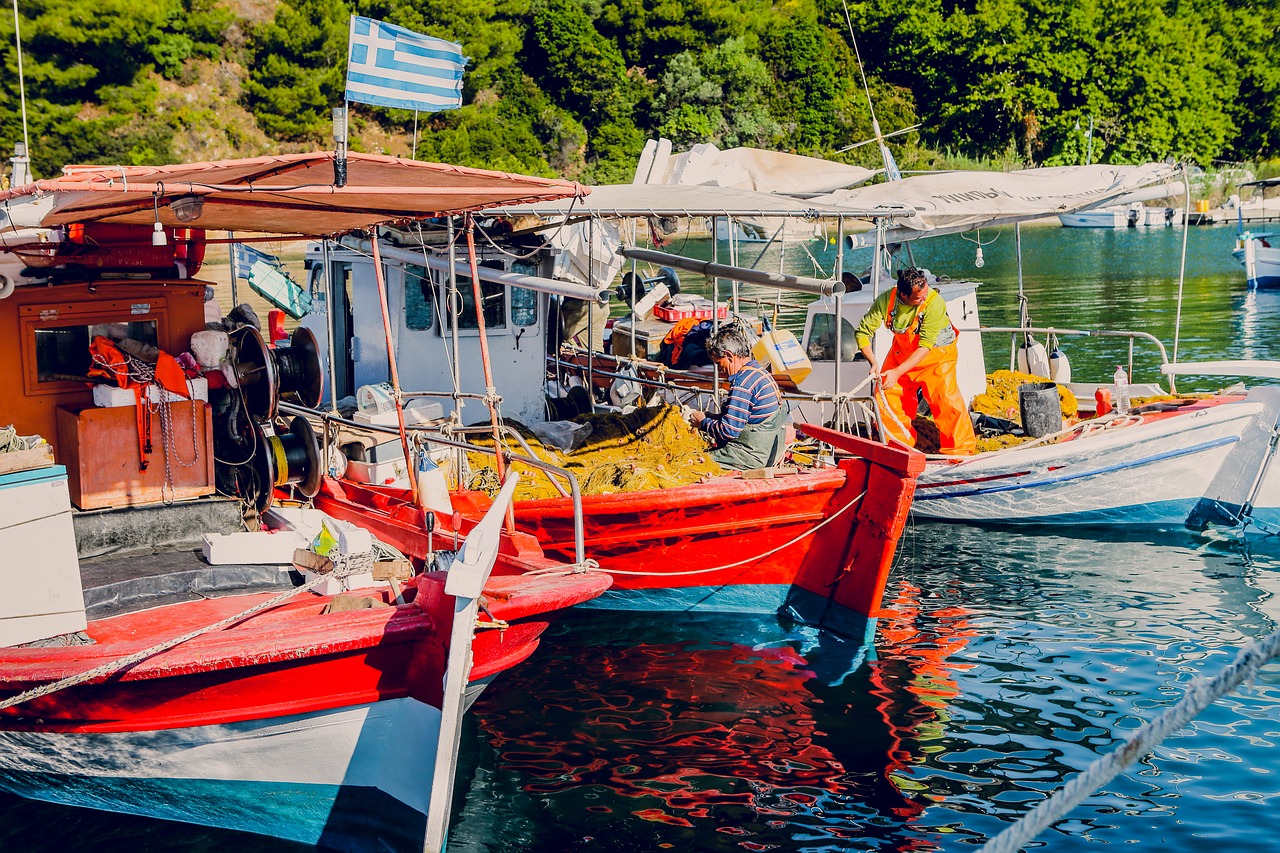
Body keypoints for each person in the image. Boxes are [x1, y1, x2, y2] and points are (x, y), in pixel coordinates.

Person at [855, 268, 977, 454]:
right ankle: (899, 448)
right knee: (886, 396)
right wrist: (873, 362)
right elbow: (863, 333)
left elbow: (925, 346)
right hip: (901, 353)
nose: (924, 299)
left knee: (947, 402)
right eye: (919, 297)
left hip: (937, 356)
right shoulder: (886, 301)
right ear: (902, 294)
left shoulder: (934, 303)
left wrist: (896, 372)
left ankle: (961, 452)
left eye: (926, 293)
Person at [688, 324, 788, 470]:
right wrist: (710, 416)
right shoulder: (759, 372)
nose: (719, 369)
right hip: (769, 453)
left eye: (718, 363)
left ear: (729, 355)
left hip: (750, 457)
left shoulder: (743, 383)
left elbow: (728, 431)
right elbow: (741, 420)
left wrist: (703, 423)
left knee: (693, 462)